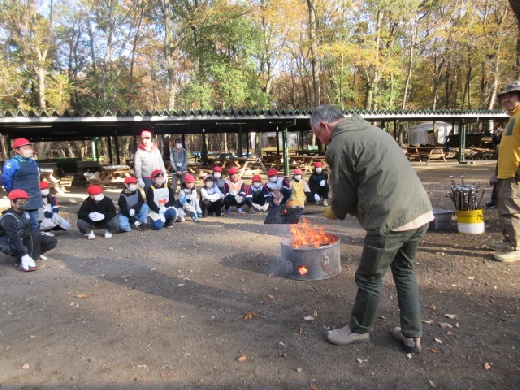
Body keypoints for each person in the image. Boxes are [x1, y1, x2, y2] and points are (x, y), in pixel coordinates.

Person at [311, 104, 433, 353]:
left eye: (316, 134)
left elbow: (343, 192)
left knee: (369, 277)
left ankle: (358, 330)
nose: (319, 140)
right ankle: (412, 336)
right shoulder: (371, 130)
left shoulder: (339, 144)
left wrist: (336, 210)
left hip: (391, 219)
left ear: (325, 125)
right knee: (404, 272)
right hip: (419, 212)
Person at [488, 80, 520, 262]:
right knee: (504, 210)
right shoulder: (512, 118)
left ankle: (518, 247)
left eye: (511, 95)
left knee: (513, 211)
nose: (506, 99)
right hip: (505, 174)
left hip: (515, 175)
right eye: (504, 97)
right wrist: (497, 173)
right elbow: (507, 150)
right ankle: (509, 240)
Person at [2, 138, 44, 259]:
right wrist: (14, 194)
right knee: (23, 226)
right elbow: (6, 179)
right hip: (22, 200)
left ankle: (36, 252)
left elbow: (37, 179)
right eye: (25, 148)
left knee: (38, 224)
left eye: (29, 147)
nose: (28, 150)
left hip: (37, 199)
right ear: (17, 150)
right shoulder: (12, 163)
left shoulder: (33, 162)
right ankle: (23, 253)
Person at [0, 190, 57, 271]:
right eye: (21, 202)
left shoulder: (25, 214)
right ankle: (23, 259)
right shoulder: (8, 217)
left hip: (22, 238)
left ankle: (33, 255)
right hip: (7, 242)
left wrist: (36, 250)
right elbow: (13, 236)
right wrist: (23, 254)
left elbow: (30, 232)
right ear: (13, 203)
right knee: (28, 234)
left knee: (51, 240)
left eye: (26, 201)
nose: (24, 203)